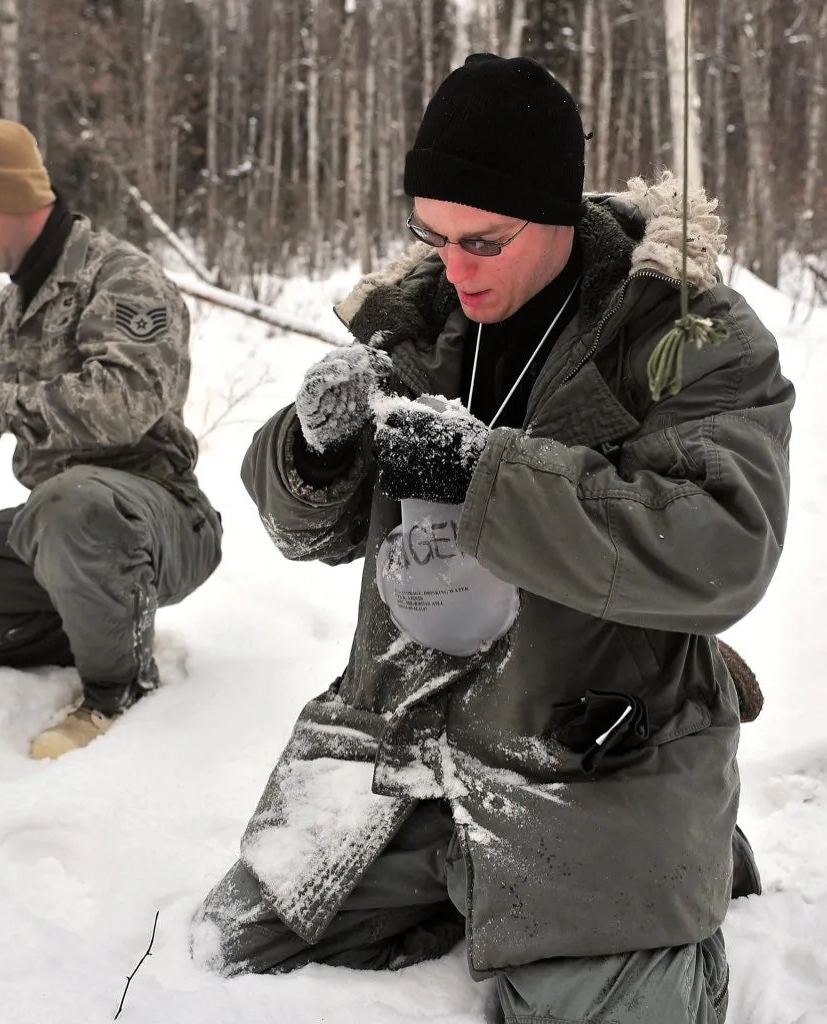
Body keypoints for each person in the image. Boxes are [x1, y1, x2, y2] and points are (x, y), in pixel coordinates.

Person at [190, 54, 792, 1023]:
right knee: (232, 944)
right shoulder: (420, 321)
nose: (453, 266)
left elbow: (722, 542)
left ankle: (678, 863)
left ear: (554, 212)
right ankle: (482, 874)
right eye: (431, 236)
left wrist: (489, 477)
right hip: (405, 735)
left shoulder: (682, 332)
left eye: (484, 240)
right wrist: (313, 446)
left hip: (585, 754)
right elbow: (307, 531)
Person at [0, 119, 222, 760]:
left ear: (15, 201)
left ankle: (116, 688)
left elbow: (120, 406)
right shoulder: (12, 308)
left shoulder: (123, 279)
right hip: (59, 529)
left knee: (72, 502)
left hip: (161, 521)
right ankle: (102, 624)